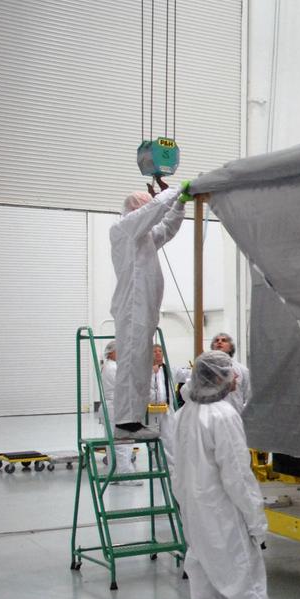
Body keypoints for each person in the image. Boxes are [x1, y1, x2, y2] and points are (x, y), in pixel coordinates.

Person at [172, 351, 300, 599]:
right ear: (219, 378)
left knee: (207, 595)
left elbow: (177, 471)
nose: (237, 378)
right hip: (223, 519)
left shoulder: (186, 414)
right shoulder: (223, 416)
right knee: (247, 591)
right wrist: (256, 522)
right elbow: (237, 476)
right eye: (231, 374)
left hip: (195, 518)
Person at [110, 180, 185, 439]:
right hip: (132, 307)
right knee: (131, 362)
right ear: (135, 210)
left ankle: (133, 419)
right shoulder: (122, 229)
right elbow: (152, 211)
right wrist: (172, 191)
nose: (150, 210)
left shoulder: (145, 237)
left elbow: (168, 227)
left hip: (144, 308)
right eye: (146, 205)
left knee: (140, 364)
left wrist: (180, 202)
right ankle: (125, 423)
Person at [99, 342, 135, 470]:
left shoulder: (107, 366)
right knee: (122, 442)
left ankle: (114, 474)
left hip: (112, 408)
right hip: (117, 408)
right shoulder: (113, 367)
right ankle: (126, 475)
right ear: (111, 353)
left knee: (112, 443)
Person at [209, 332, 252, 415]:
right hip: (211, 417)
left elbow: (249, 396)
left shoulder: (242, 370)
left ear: (230, 347)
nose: (219, 342)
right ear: (212, 347)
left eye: (224, 340)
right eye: (216, 340)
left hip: (235, 417)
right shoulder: (205, 369)